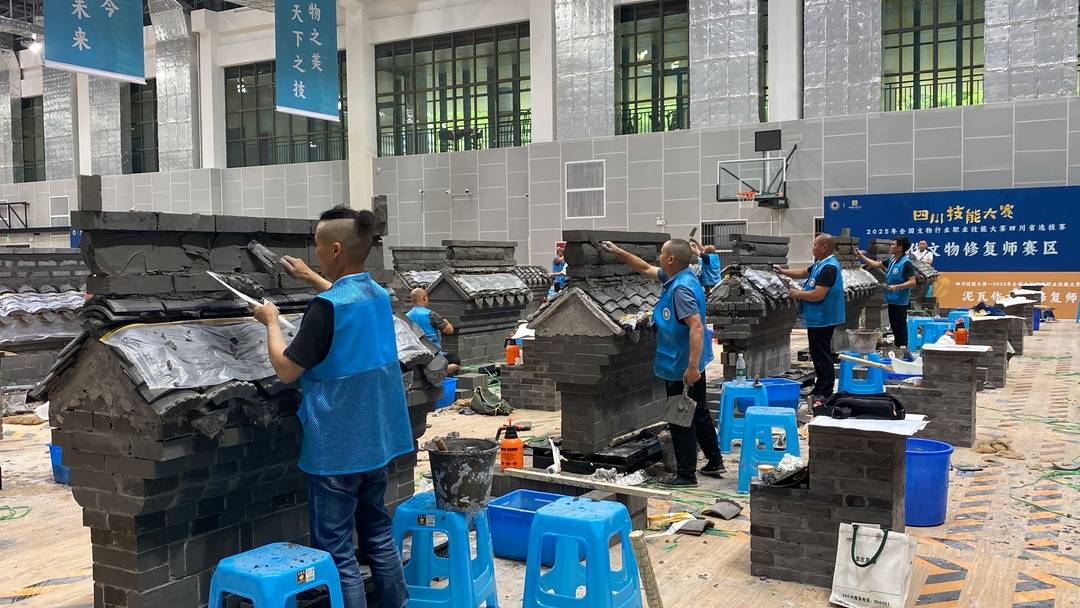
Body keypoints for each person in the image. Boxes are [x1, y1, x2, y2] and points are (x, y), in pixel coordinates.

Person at [251, 206, 410, 608]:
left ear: (336, 249)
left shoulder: (325, 307)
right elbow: (346, 300)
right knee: (378, 535)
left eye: (318, 246)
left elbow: (287, 369)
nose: (316, 253)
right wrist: (310, 277)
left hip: (337, 449)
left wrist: (270, 321)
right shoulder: (378, 296)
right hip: (376, 443)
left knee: (337, 554)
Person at [602, 238, 724, 488]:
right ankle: (715, 461)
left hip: (682, 364)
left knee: (680, 418)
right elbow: (645, 268)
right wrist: (620, 251)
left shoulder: (681, 289)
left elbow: (696, 327)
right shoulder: (683, 276)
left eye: (661, 253)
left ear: (670, 259)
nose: (658, 257)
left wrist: (691, 367)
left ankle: (686, 475)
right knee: (699, 410)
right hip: (689, 360)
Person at [773, 234, 846, 403]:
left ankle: (825, 390)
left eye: (815, 245)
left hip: (823, 318)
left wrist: (797, 294)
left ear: (824, 248)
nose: (812, 248)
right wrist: (783, 271)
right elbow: (804, 272)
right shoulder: (821, 264)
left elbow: (818, 295)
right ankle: (820, 386)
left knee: (822, 354)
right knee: (817, 353)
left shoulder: (829, 268)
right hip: (817, 318)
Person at [858, 237, 916, 349]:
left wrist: (897, 286)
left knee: (900, 326)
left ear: (900, 247)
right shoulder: (892, 260)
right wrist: (861, 256)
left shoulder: (906, 263)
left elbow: (912, 282)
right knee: (894, 326)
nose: (891, 246)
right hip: (891, 299)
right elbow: (876, 265)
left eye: (893, 244)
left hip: (900, 300)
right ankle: (898, 347)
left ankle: (902, 349)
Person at [406, 287, 461, 376]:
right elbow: (449, 330)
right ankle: (443, 373)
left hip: (414, 354)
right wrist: (447, 322)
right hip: (433, 355)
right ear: (424, 298)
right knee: (455, 360)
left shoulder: (406, 316)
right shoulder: (430, 314)